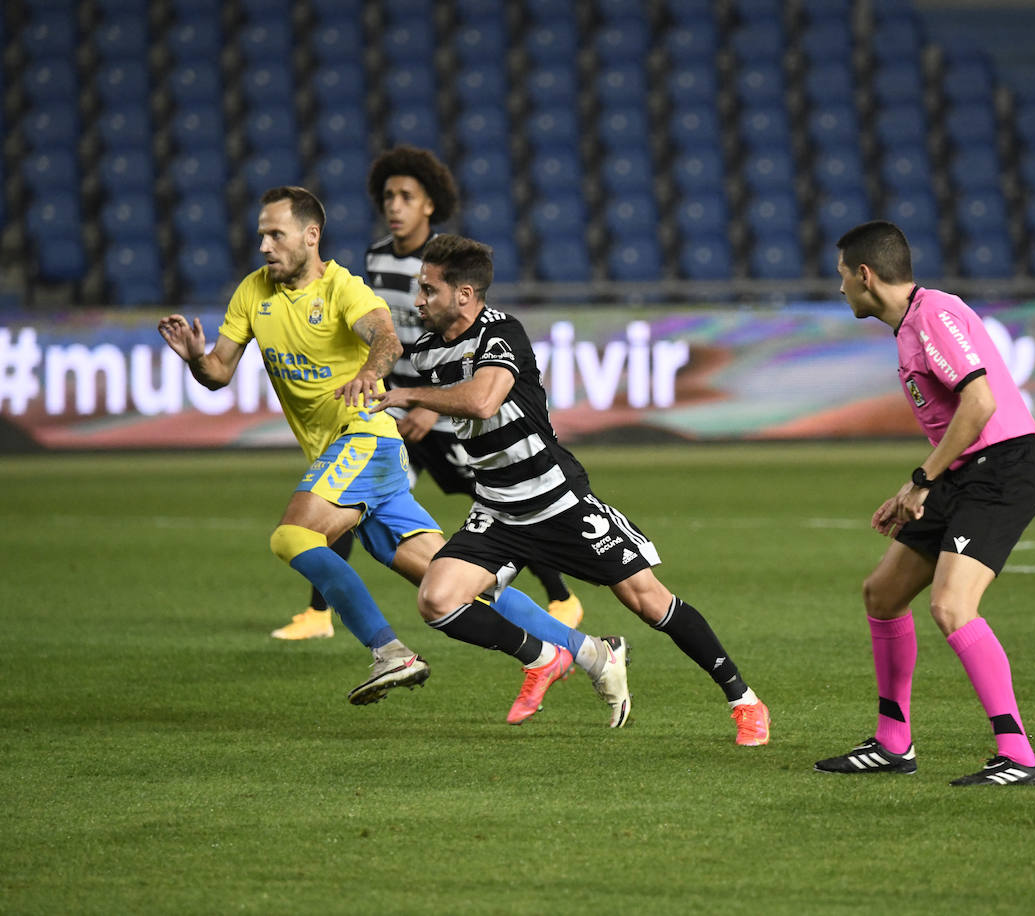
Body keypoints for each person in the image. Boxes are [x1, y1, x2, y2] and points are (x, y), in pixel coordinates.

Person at [157, 186, 629, 722]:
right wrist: (196, 359)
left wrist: (369, 372)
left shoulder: (343, 289)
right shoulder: (253, 291)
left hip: (364, 438)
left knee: (293, 535)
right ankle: (593, 652)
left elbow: (386, 339)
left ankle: (390, 652)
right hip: (353, 453)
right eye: (261, 235)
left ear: (310, 236)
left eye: (275, 234)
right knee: (454, 578)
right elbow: (219, 372)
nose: (264, 245)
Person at [367, 234, 771, 744]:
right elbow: (438, 387)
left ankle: (745, 700)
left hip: (555, 499)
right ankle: (544, 657)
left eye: (428, 289)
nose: (418, 300)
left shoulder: (502, 334)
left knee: (650, 602)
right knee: (437, 599)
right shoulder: (428, 351)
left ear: (464, 294)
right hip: (498, 509)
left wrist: (410, 396)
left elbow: (484, 400)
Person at [272, 146, 584, 641]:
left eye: (406, 196)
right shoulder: (375, 257)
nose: (394, 206)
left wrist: (429, 409)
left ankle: (561, 597)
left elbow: (467, 341)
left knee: (497, 498)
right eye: (388, 197)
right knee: (353, 501)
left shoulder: (445, 262)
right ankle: (318, 612)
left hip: (440, 410)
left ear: (430, 204)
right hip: (394, 409)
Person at [814, 220, 1035, 785]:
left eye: (842, 275)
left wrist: (921, 480)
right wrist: (918, 486)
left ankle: (1019, 755)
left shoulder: (934, 315)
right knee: (883, 594)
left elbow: (980, 403)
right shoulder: (911, 325)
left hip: (1002, 468)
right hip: (966, 470)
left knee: (951, 606)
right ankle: (893, 742)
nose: (840, 287)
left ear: (865, 275)